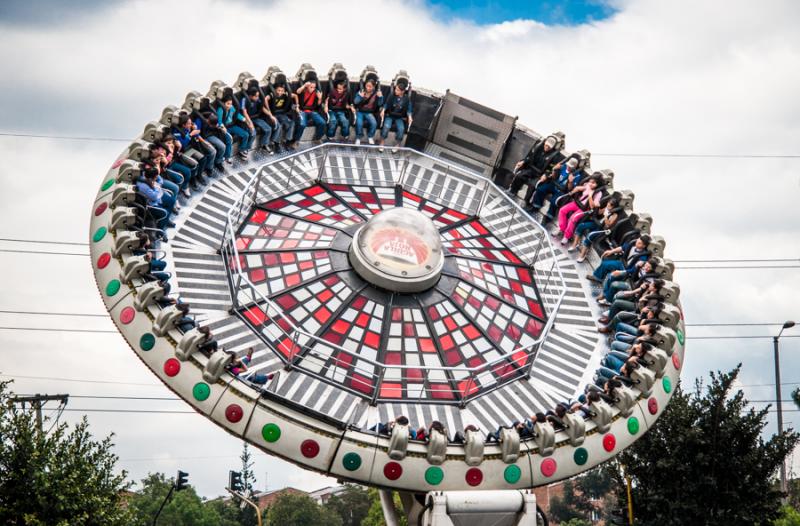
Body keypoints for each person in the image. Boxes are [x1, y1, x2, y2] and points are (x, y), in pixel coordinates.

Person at [529, 156, 582, 223]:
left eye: (570, 167)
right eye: (568, 165)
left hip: (563, 190)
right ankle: (536, 206)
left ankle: (549, 217)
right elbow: (554, 177)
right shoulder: (563, 167)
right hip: (555, 184)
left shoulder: (577, 175)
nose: (568, 167)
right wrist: (554, 169)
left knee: (554, 201)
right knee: (540, 189)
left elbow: (570, 189)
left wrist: (570, 182)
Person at [586, 234, 651, 284]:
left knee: (611, 277)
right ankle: (598, 277)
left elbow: (634, 269)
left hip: (627, 270)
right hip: (622, 263)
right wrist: (611, 251)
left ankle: (606, 295)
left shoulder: (643, 256)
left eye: (639, 243)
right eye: (637, 241)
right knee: (605, 264)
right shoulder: (632, 245)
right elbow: (622, 248)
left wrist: (621, 272)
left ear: (644, 246)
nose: (636, 243)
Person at [508, 136, 557, 201]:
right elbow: (530, 157)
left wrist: (546, 174)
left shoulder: (554, 156)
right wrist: (523, 161)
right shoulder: (538, 147)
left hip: (539, 174)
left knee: (532, 186)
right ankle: (512, 191)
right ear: (545, 143)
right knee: (520, 176)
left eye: (549, 147)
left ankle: (525, 201)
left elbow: (551, 168)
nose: (547, 147)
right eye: (546, 145)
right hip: (531, 169)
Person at [558, 175, 603, 244]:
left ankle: (567, 236)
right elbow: (580, 188)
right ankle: (562, 229)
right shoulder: (588, 185)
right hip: (577, 203)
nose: (591, 184)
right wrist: (574, 190)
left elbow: (592, 206)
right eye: (590, 182)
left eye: (593, 183)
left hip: (585, 209)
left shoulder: (598, 193)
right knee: (562, 210)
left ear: (597, 184)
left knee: (573, 218)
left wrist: (590, 196)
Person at [172, 114, 215, 183]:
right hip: (183, 151)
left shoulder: (189, 128)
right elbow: (183, 144)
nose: (190, 124)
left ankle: (199, 175)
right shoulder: (177, 132)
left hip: (190, 148)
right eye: (188, 124)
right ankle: (192, 179)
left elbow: (197, 133)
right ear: (183, 125)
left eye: (191, 123)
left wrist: (196, 131)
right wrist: (190, 134)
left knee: (203, 159)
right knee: (194, 164)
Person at [216, 95, 253, 159]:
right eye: (228, 104)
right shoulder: (220, 110)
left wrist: (244, 120)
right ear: (223, 103)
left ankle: (241, 150)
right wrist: (222, 127)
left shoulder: (231, 108)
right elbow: (219, 121)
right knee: (229, 139)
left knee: (245, 134)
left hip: (231, 126)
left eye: (231, 104)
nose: (230, 106)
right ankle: (227, 157)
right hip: (224, 128)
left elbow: (237, 114)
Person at [379, 83, 413, 152]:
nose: (395, 91)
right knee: (386, 126)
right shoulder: (391, 96)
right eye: (395, 89)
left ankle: (398, 144)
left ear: (402, 91)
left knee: (401, 129)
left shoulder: (406, 99)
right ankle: (382, 141)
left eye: (397, 90)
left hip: (399, 117)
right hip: (390, 115)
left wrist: (409, 116)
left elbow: (409, 109)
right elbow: (386, 104)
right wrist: (383, 110)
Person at [239, 87, 273, 153]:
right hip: (246, 120)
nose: (257, 98)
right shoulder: (244, 100)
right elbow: (244, 112)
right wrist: (250, 123)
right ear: (250, 96)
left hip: (255, 117)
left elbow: (262, 107)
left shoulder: (257, 99)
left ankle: (264, 144)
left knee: (268, 129)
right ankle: (246, 148)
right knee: (253, 133)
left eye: (258, 96)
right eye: (256, 96)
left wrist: (270, 115)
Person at [264, 84, 296, 152]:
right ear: (275, 90)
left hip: (281, 114)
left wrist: (297, 106)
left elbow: (295, 96)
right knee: (279, 125)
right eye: (278, 90)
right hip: (273, 114)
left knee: (291, 123)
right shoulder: (272, 95)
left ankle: (287, 141)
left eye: (282, 91)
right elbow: (265, 99)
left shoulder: (285, 94)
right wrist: (269, 110)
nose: (280, 92)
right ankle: (276, 143)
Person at [353, 79, 383, 145]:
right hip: (360, 111)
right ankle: (358, 137)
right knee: (359, 123)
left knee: (374, 123)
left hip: (369, 112)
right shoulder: (361, 91)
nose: (368, 88)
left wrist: (380, 97)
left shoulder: (376, 94)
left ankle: (370, 136)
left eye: (370, 86)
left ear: (373, 87)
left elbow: (380, 104)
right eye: (367, 86)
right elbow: (355, 102)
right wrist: (360, 96)